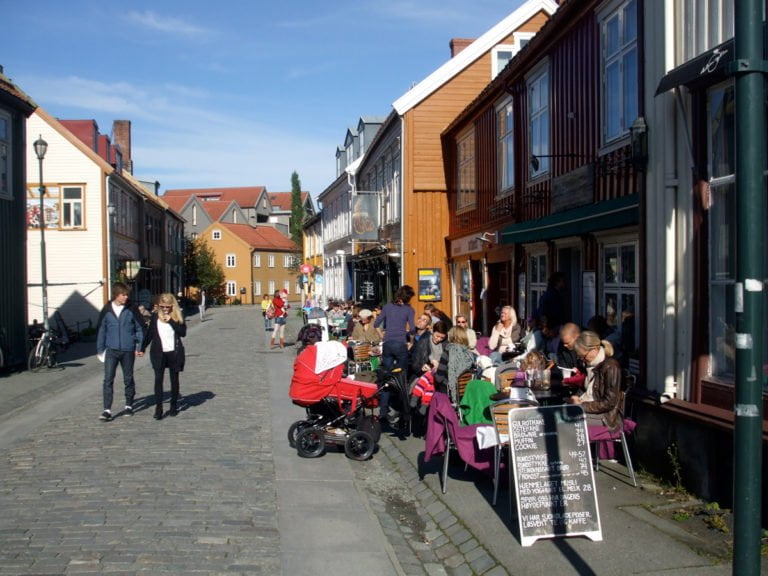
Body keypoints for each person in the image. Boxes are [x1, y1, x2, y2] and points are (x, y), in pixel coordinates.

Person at [95, 282, 146, 422]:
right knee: (108, 380)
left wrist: (140, 346)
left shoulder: (131, 309)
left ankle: (129, 405)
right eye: (123, 295)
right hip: (111, 350)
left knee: (128, 378)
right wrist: (100, 350)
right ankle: (107, 410)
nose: (126, 297)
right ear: (116, 295)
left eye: (127, 295)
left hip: (128, 349)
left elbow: (140, 328)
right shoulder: (107, 310)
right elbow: (101, 330)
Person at [374, 285, 416, 422]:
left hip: (388, 344)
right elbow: (412, 328)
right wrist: (411, 342)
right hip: (400, 344)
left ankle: (383, 410)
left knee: (387, 377)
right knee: (401, 378)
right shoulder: (409, 310)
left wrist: (382, 337)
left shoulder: (387, 307)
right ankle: (403, 411)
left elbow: (376, 324)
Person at [142, 293, 187, 420]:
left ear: (172, 306)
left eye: (168, 307)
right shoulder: (156, 316)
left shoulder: (177, 316)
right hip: (159, 352)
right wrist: (142, 348)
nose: (165, 309)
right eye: (163, 306)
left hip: (174, 352)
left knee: (174, 380)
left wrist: (171, 321)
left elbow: (183, 333)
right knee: (158, 380)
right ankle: (159, 408)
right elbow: (149, 333)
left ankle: (173, 405)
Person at [566, 330, 623, 430]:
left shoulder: (611, 366)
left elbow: (609, 403)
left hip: (607, 417)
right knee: (559, 414)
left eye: (584, 356)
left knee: (566, 420)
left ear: (594, 349)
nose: (583, 360)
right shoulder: (590, 365)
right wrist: (577, 397)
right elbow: (585, 388)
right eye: (580, 358)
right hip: (593, 410)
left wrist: (581, 405)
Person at [433, 326, 475, 405]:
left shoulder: (448, 352)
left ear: (452, 336)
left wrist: (435, 371)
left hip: (448, 393)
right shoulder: (469, 354)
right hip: (465, 392)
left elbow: (438, 378)